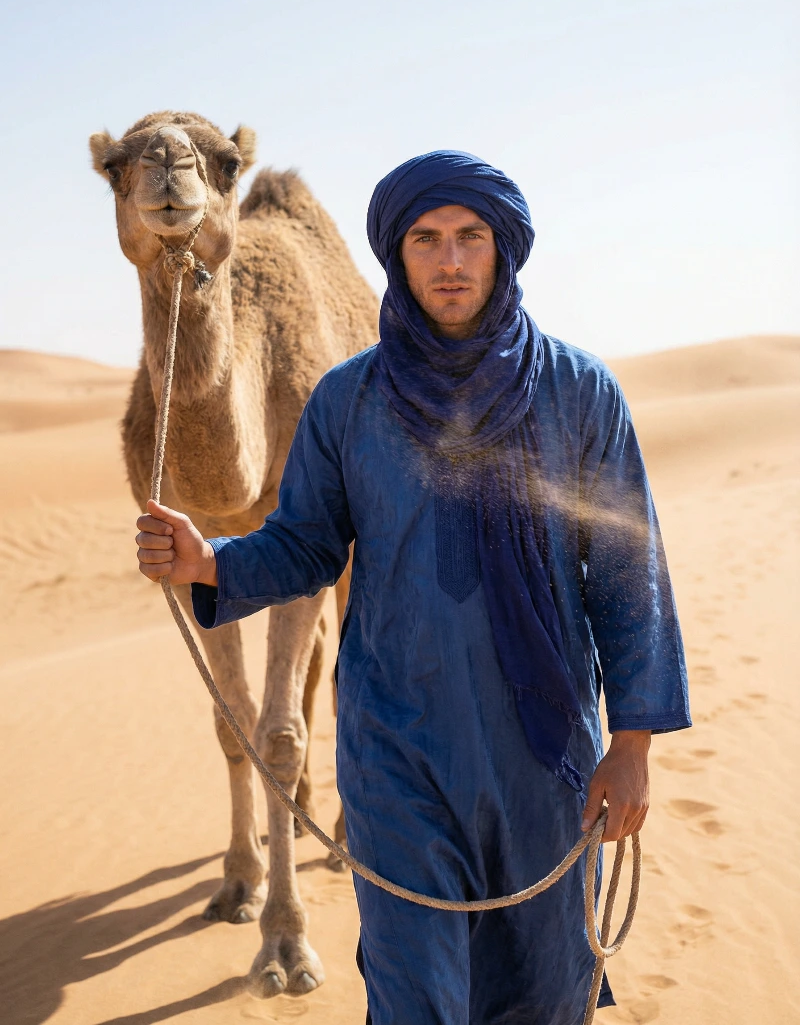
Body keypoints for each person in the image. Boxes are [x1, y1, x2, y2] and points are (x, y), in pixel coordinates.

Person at [136, 151, 691, 1025]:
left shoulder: (581, 395)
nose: (450, 261)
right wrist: (214, 564)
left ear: (503, 249)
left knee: (545, 994)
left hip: (544, 761)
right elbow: (307, 544)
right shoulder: (349, 401)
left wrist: (633, 742)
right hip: (398, 753)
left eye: (471, 237)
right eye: (426, 239)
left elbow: (628, 575)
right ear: (397, 256)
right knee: (414, 998)